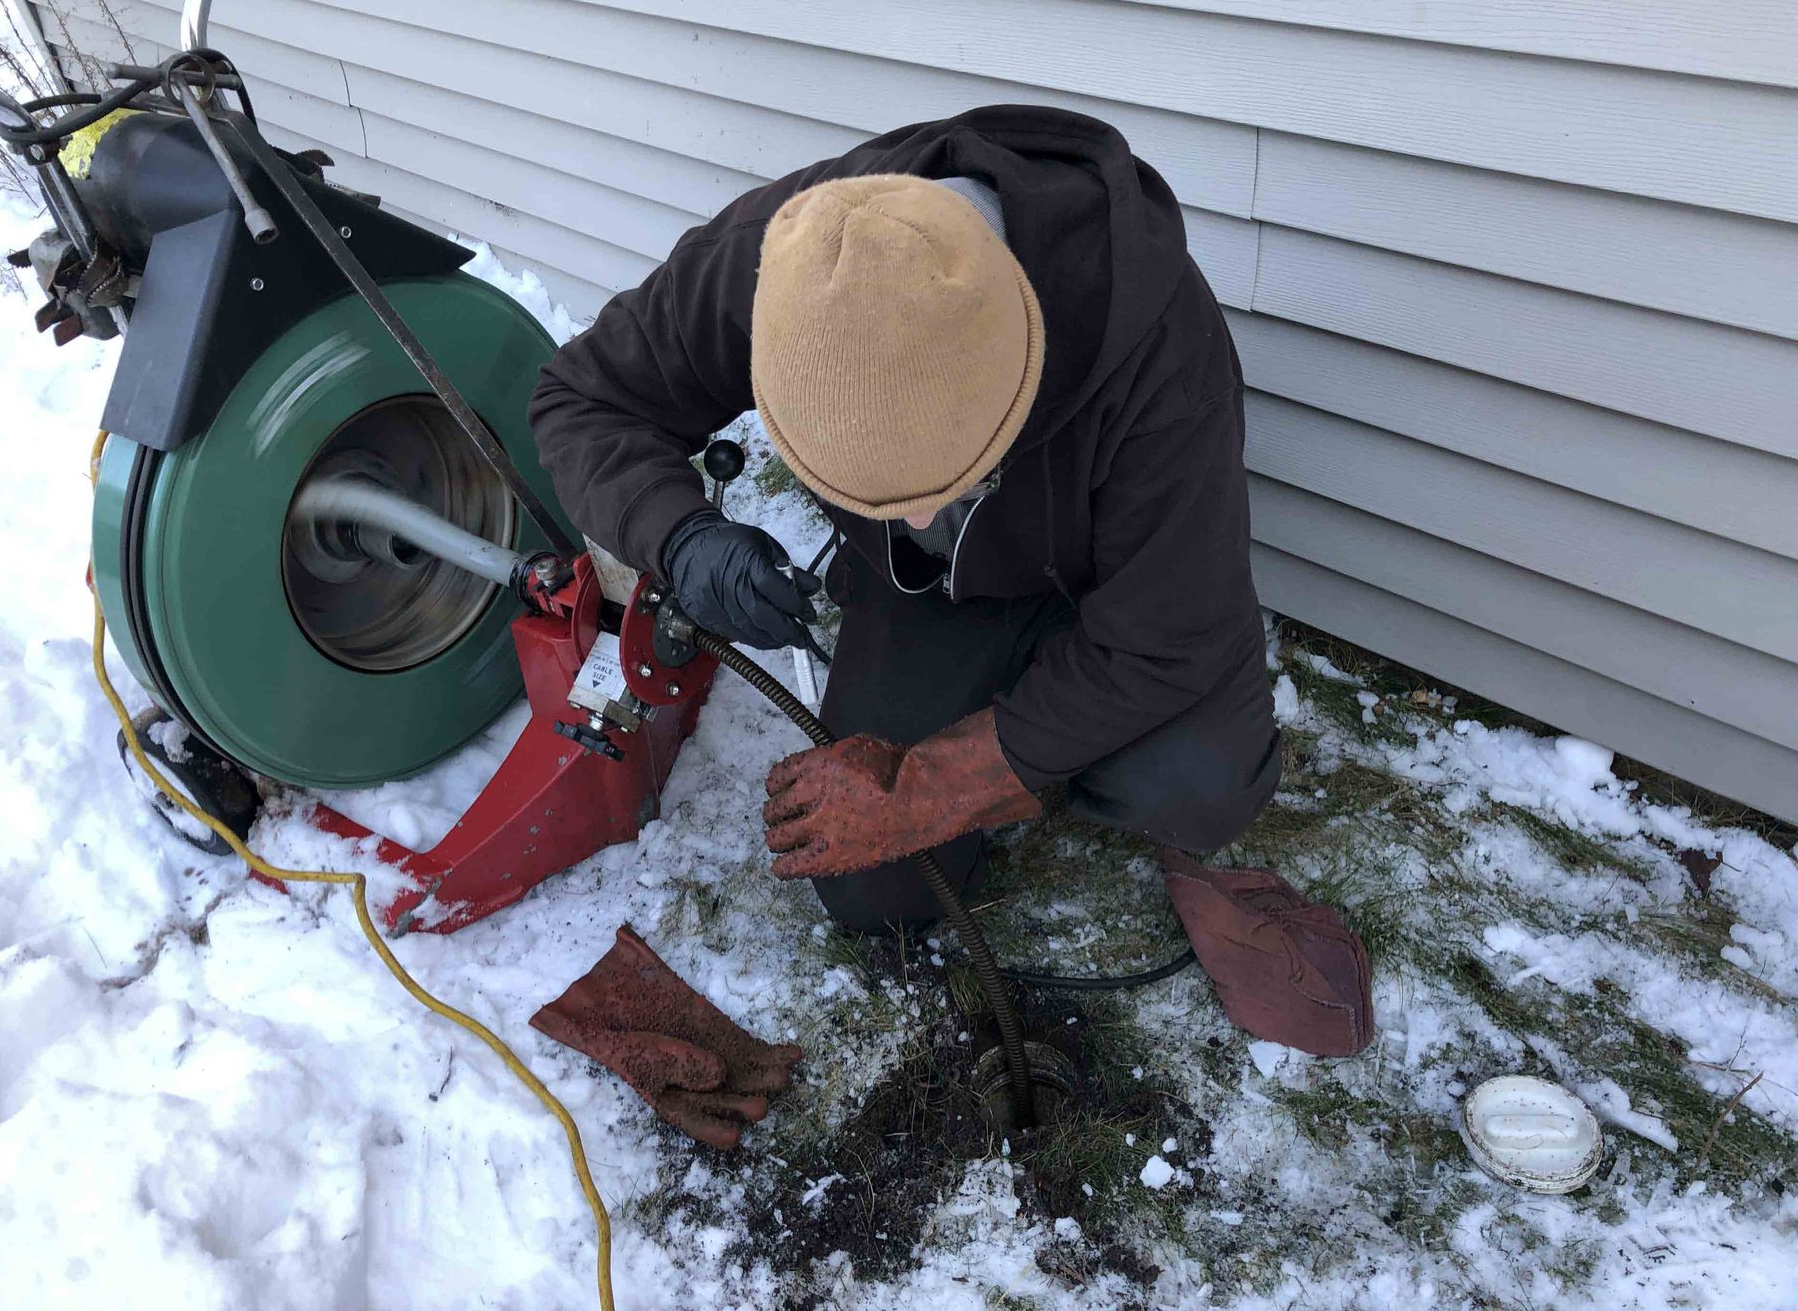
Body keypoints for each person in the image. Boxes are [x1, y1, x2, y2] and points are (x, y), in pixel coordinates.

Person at [524, 107, 1371, 1148]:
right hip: (932, 594)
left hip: (1118, 583)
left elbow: (1167, 636)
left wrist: (934, 782)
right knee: (871, 889)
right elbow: (581, 400)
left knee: (1193, 782)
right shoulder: (778, 266)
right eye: (883, 492)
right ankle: (1031, 742)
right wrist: (681, 536)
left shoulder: (1155, 343)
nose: (921, 514)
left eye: (949, 479)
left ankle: (1083, 769)